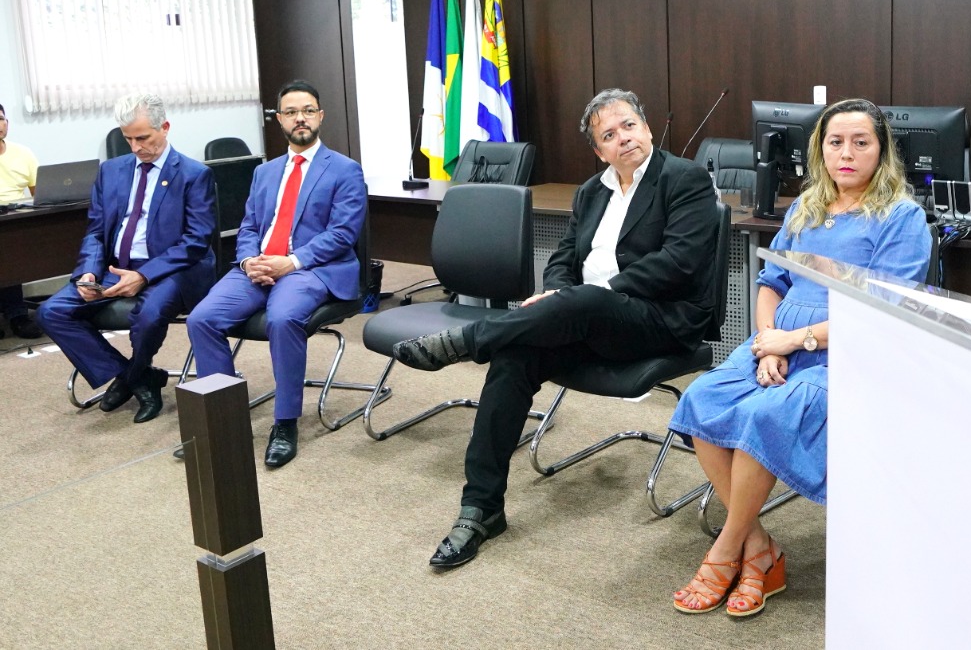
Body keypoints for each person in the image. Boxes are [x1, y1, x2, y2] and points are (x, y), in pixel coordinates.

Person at [393, 88, 720, 569]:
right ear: (599, 151)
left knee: (585, 298)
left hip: (659, 320)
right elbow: (565, 258)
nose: (623, 138)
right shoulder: (591, 192)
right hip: (585, 319)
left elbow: (680, 261)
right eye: (609, 135)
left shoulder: (684, 178)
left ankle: (468, 341)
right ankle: (481, 508)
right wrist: (558, 296)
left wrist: (590, 295)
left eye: (630, 125)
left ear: (647, 128)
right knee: (514, 357)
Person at [668, 98, 931, 618]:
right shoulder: (806, 207)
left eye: (861, 142)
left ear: (882, 151)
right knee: (702, 398)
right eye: (836, 142)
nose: (846, 154)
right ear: (820, 149)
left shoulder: (902, 217)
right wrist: (768, 341)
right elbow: (771, 283)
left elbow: (882, 312)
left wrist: (795, 342)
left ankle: (727, 548)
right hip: (780, 340)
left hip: (847, 351)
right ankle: (760, 547)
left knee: (764, 415)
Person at [186, 81, 366, 469]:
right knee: (202, 319)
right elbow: (250, 226)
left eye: (308, 110)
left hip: (311, 268)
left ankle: (285, 423)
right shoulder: (264, 172)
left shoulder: (344, 170)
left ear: (320, 116)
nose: (300, 118)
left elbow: (342, 233)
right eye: (291, 112)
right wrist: (248, 260)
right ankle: (223, 419)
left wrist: (292, 261)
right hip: (259, 265)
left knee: (282, 319)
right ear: (279, 120)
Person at [36, 94, 217, 421]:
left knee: (149, 314)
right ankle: (140, 376)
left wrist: (144, 275)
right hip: (114, 267)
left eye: (143, 138)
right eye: (128, 139)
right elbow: (96, 231)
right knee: (52, 312)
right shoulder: (111, 171)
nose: (135, 147)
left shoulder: (193, 174)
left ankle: (130, 377)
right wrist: (88, 273)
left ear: (165, 127)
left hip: (170, 270)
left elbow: (196, 240)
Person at [0, 101, 43, 337]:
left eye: (1, 119)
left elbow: (40, 195)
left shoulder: (22, 153)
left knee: (11, 248)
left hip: (15, 218)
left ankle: (17, 314)